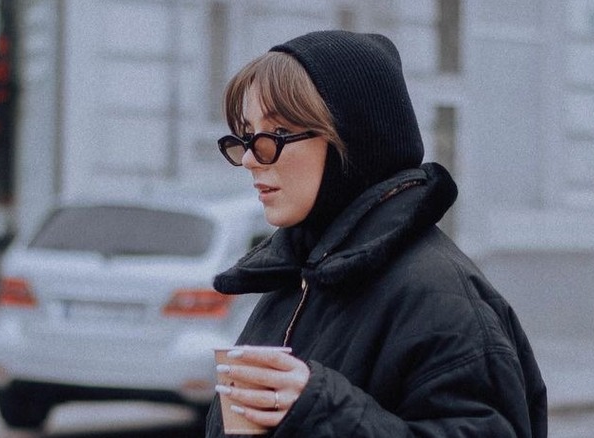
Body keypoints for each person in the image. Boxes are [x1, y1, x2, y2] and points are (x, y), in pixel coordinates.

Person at [207, 30, 547, 437]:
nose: (250, 158)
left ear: (352, 140)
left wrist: (323, 412)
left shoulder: (438, 295)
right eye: (247, 136)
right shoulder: (298, 279)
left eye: (277, 134)